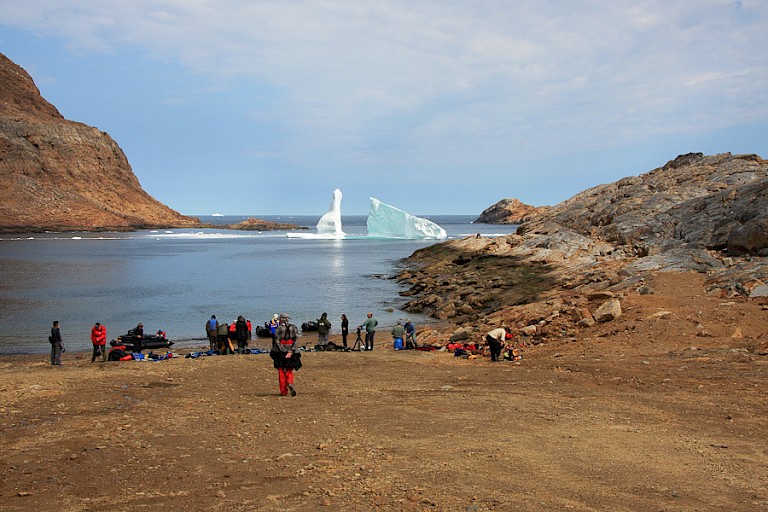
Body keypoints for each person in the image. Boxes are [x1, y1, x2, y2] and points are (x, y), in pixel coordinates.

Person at [271, 314, 302, 396]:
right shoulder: (294, 327)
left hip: (280, 352)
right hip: (291, 349)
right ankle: (290, 382)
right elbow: (296, 340)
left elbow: (277, 341)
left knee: (281, 371)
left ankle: (283, 391)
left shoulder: (279, 328)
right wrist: (290, 351)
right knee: (289, 370)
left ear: (281, 319)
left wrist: (284, 351)